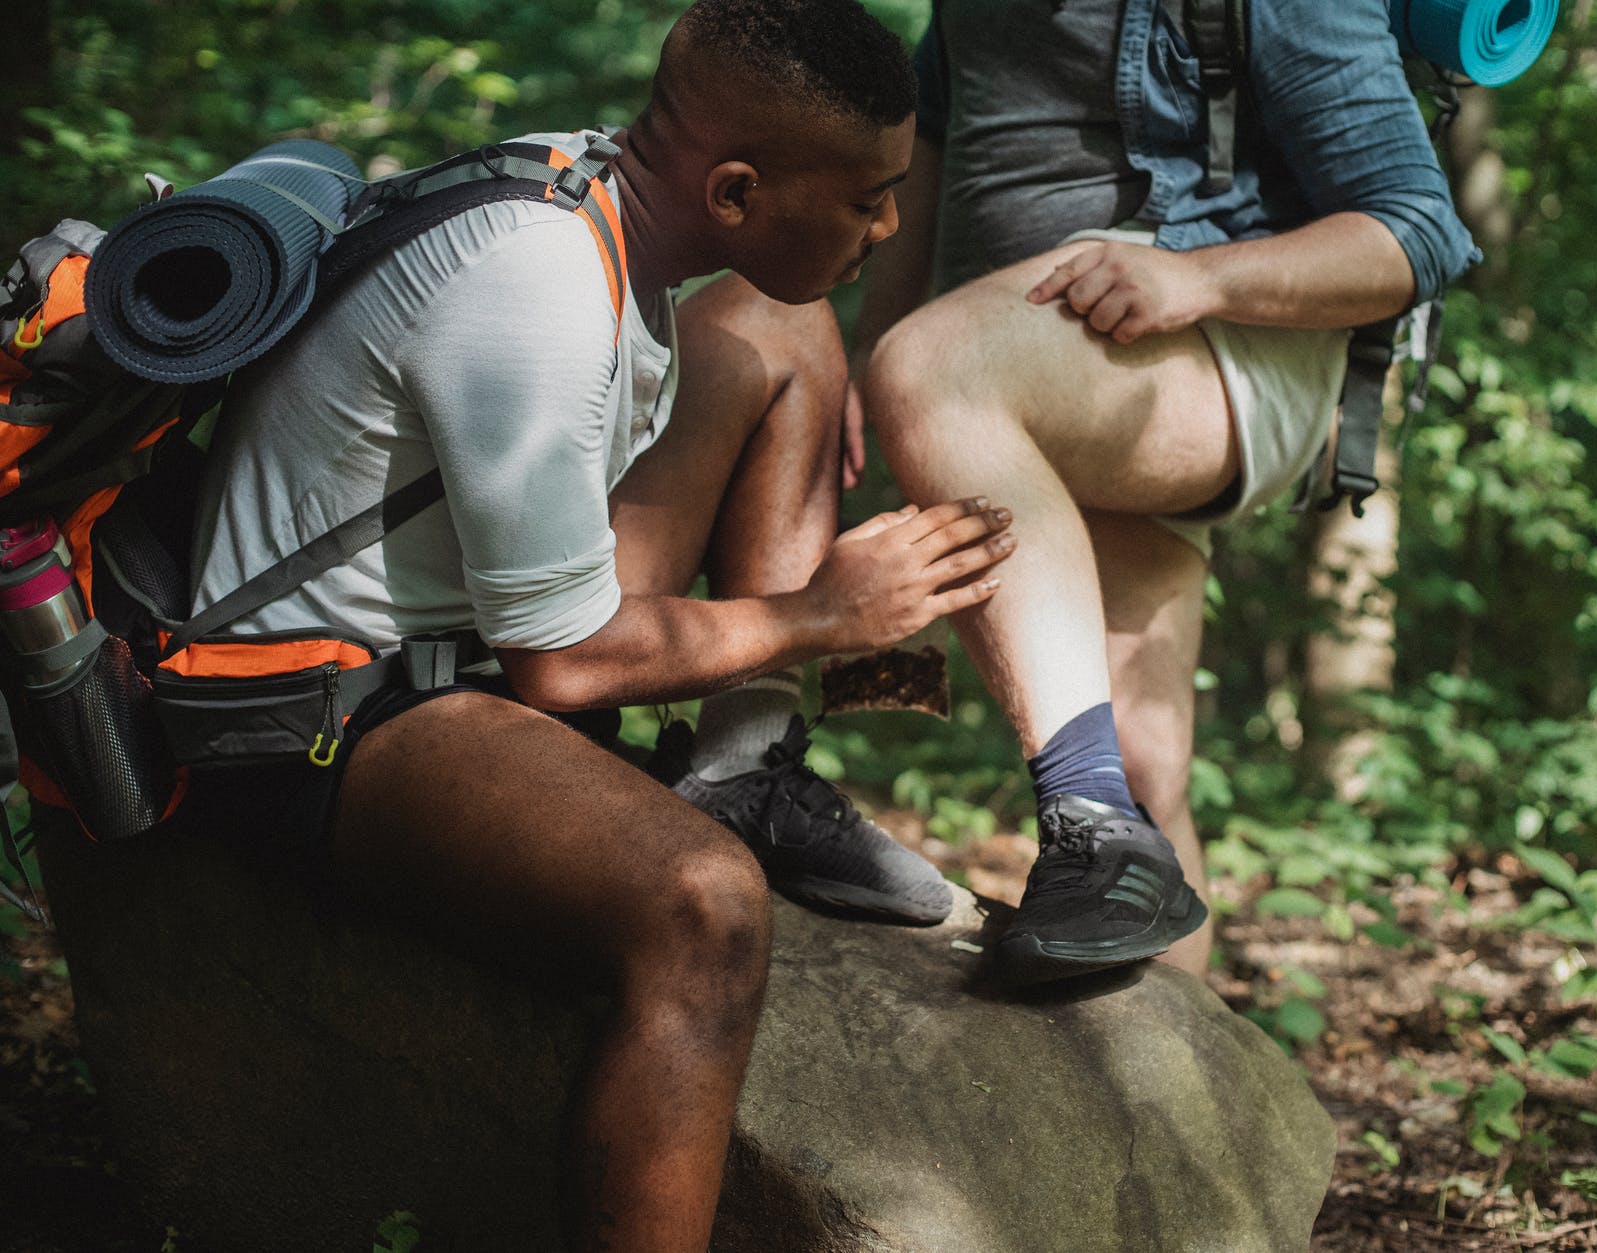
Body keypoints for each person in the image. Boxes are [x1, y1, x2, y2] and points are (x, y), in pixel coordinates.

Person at [181, 1, 1014, 1248]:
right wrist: (818, 614)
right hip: (313, 699)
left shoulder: (596, 195)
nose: (890, 225)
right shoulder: (537, 291)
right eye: (866, 199)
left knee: (783, 322)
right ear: (733, 190)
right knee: (704, 904)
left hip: (453, 636)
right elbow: (563, 662)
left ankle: (745, 761)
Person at [851, 0, 1478, 984]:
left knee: (934, 369)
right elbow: (927, 171)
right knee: (1145, 763)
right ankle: (1197, 1119)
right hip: (1045, 359)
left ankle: (1091, 827)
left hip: (1210, 345)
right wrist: (864, 373)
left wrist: (1200, 280)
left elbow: (1417, 235)